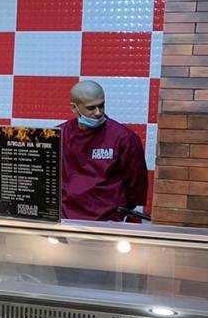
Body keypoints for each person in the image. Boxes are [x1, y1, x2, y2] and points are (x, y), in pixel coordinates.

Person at [58, 80, 148, 221]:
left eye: (101, 106)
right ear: (74, 108)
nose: (98, 112)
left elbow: (136, 186)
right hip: (66, 219)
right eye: (91, 108)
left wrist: (118, 214)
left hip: (108, 222)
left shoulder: (124, 138)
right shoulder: (58, 135)